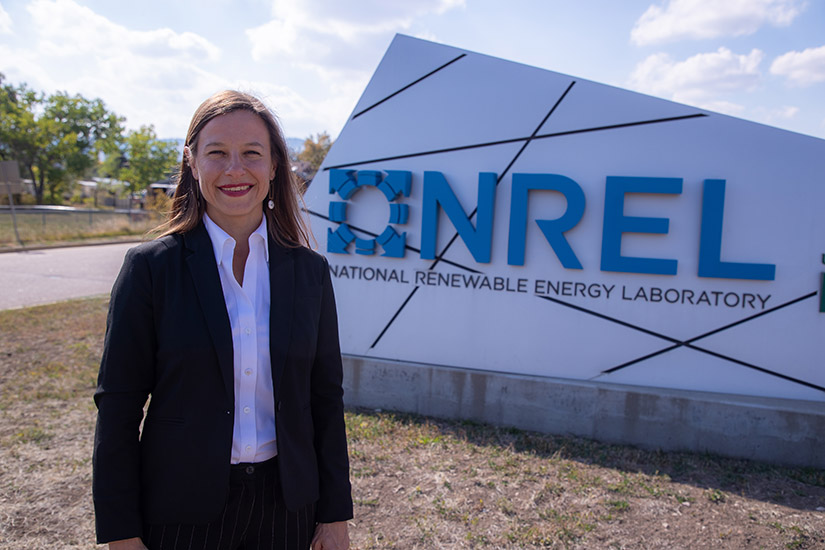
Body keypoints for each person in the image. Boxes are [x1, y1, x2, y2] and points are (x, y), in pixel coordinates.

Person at [93, 90, 352, 550]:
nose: (235, 169)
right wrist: (121, 533)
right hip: (179, 513)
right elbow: (117, 410)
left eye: (252, 153)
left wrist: (335, 515)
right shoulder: (150, 270)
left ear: (274, 167)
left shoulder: (310, 273)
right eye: (217, 153)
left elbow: (325, 399)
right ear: (192, 163)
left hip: (288, 511)